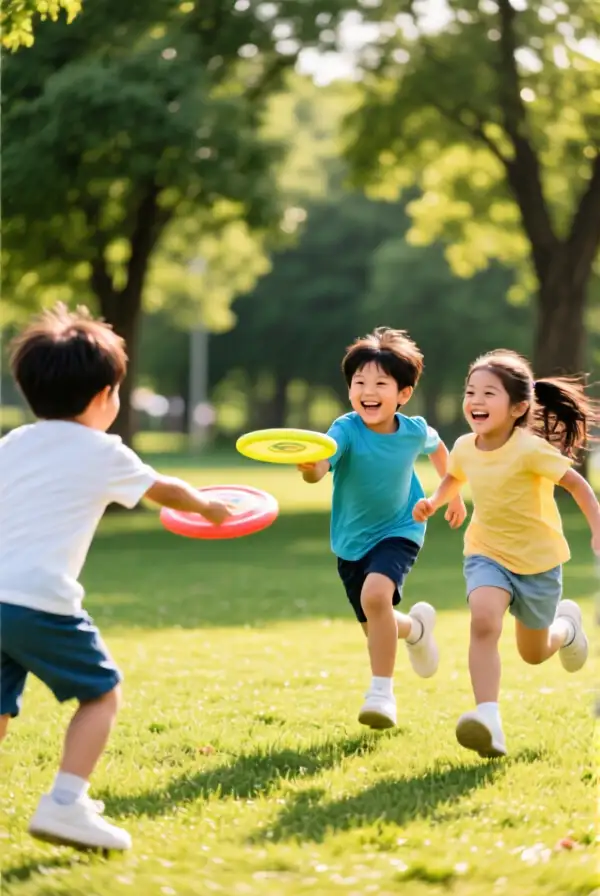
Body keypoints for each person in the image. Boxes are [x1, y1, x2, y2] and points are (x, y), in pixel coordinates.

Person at [0, 304, 232, 851]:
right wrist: (211, 508)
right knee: (101, 695)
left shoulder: (12, 444)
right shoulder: (102, 450)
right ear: (105, 396)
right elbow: (166, 490)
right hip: (40, 599)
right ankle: (65, 804)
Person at [413, 349, 600, 758]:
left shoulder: (529, 449)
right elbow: (453, 476)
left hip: (539, 563)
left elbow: (578, 486)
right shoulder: (464, 445)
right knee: (483, 621)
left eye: (488, 394)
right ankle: (489, 720)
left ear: (518, 407)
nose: (475, 401)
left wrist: (598, 528)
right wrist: (435, 500)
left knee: (532, 654)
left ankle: (566, 629)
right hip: (487, 552)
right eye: (470, 391)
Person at [298, 327, 466, 730]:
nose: (367, 390)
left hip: (402, 527)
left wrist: (452, 493)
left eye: (379, 383)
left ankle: (381, 695)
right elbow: (321, 466)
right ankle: (417, 628)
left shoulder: (412, 430)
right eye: (359, 382)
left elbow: (440, 448)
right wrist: (309, 466)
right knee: (377, 623)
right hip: (352, 540)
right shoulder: (345, 428)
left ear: (403, 394)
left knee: (377, 597)